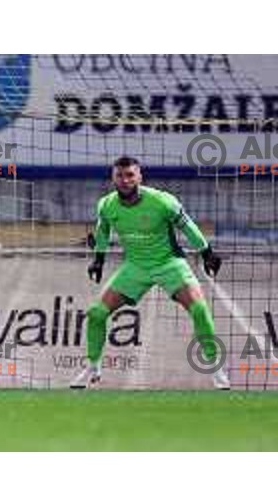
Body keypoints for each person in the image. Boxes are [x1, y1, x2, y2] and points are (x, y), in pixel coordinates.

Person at [71, 156, 229, 390]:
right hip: (135, 266)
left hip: (169, 263)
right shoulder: (106, 205)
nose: (125, 180)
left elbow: (188, 226)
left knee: (199, 309)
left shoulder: (163, 202)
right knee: (96, 313)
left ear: (139, 177)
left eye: (130, 175)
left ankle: (215, 368)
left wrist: (206, 252)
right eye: (120, 176)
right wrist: (99, 259)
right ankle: (93, 369)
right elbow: (102, 229)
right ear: (113, 178)